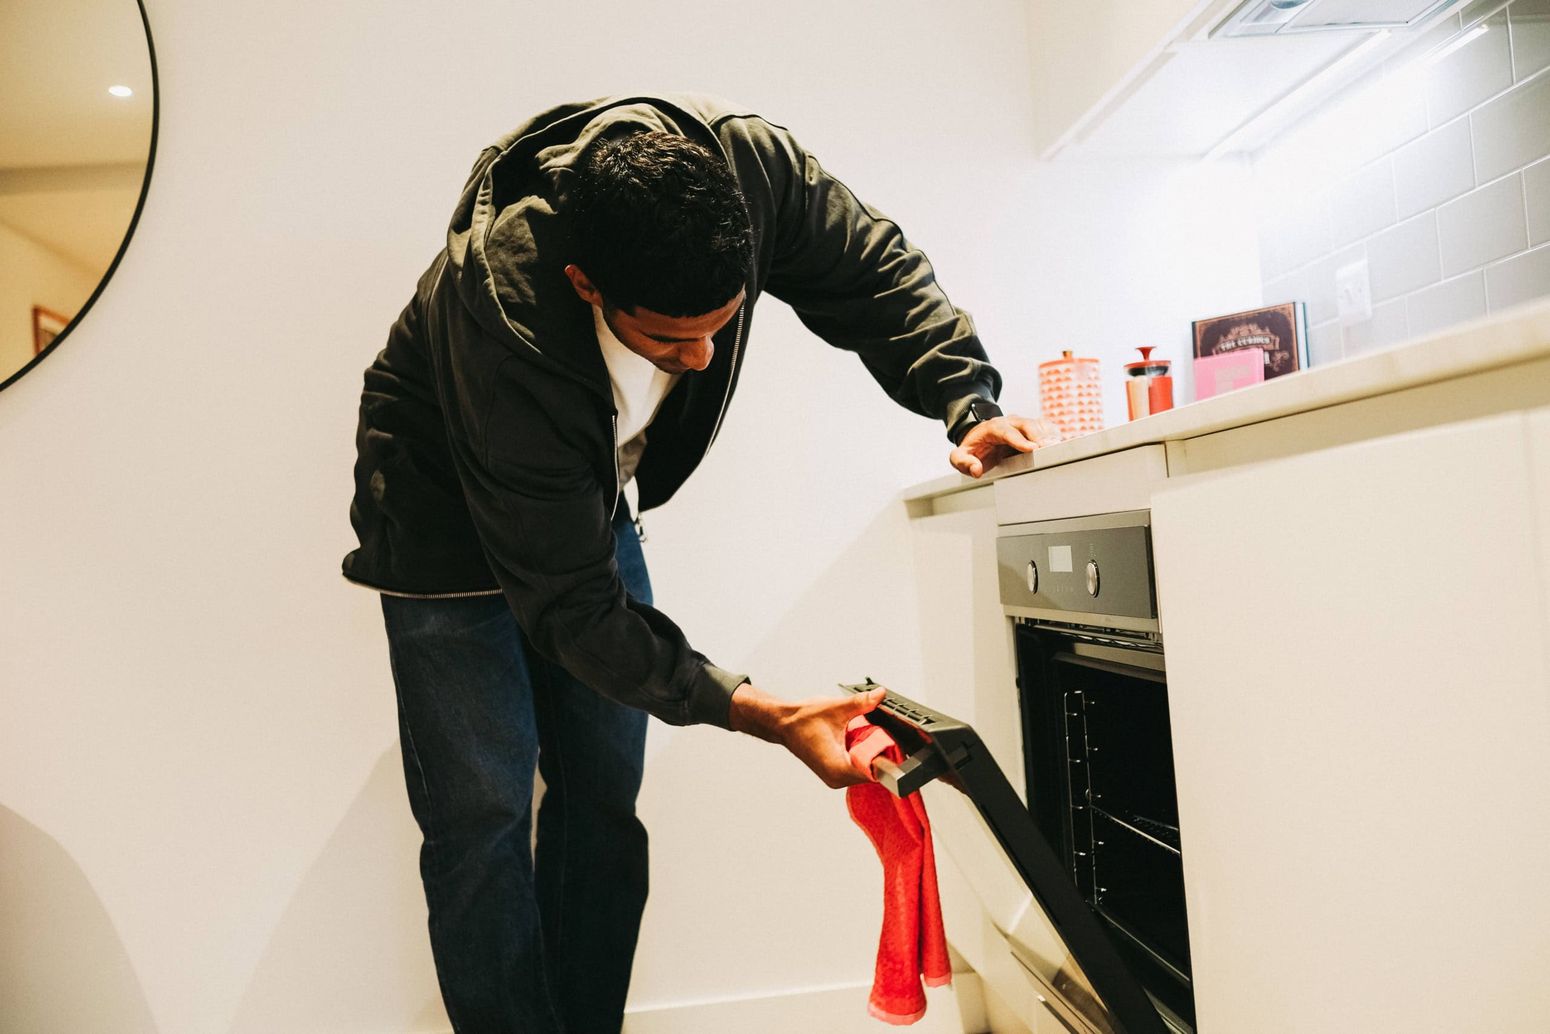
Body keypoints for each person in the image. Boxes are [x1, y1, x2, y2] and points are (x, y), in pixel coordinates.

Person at [342, 93, 1055, 1034]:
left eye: (721, 324)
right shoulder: (506, 316)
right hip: (440, 534)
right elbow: (574, 613)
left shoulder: (746, 174)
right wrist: (763, 710)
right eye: (672, 339)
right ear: (586, 283)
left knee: (602, 804)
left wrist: (964, 397)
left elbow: (870, 271)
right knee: (481, 826)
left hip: (581, 506)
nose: (704, 354)